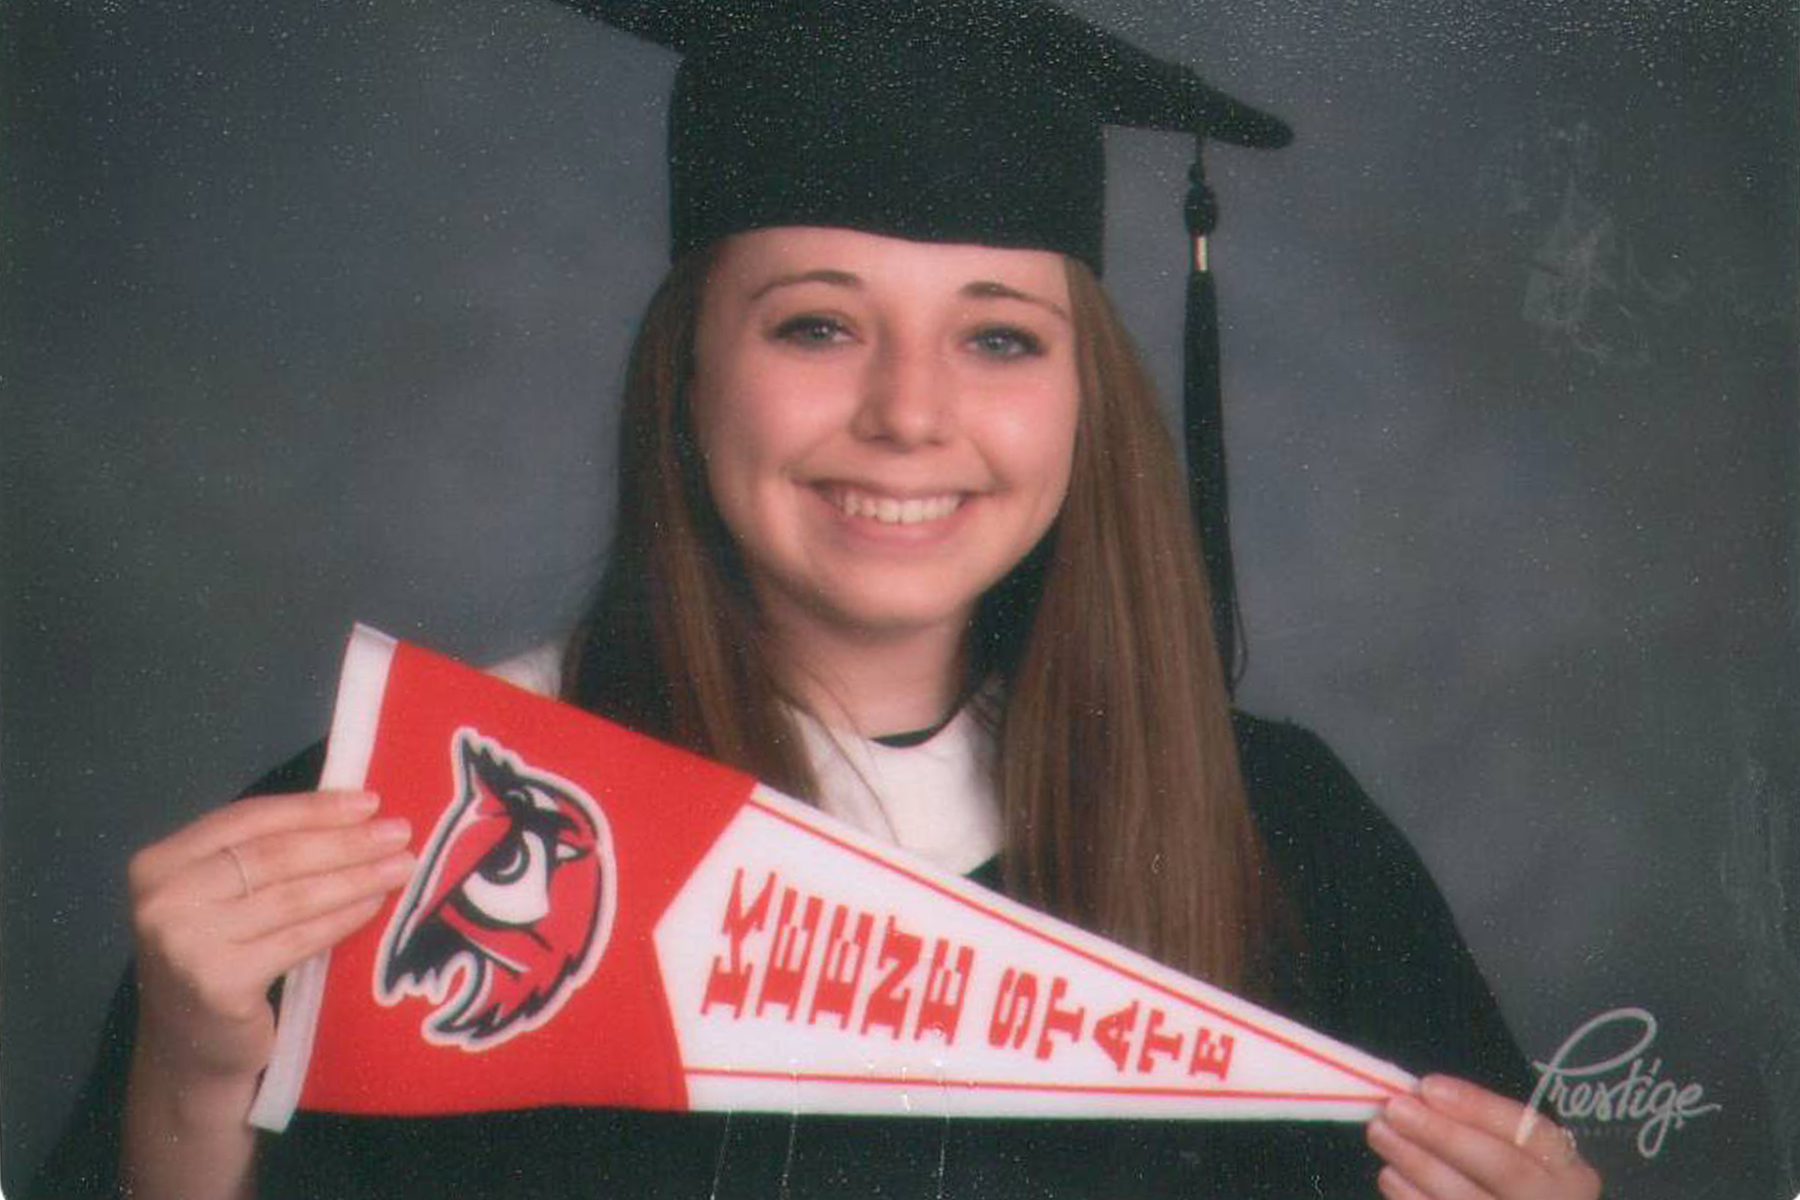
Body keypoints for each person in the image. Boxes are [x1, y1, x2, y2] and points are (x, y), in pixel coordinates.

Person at [35, 2, 1604, 1197]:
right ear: (689, 370)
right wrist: (189, 1087)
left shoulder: (1286, 832)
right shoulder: (401, 837)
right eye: (815, 328)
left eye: (999, 337)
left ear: (1088, 397)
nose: (911, 416)